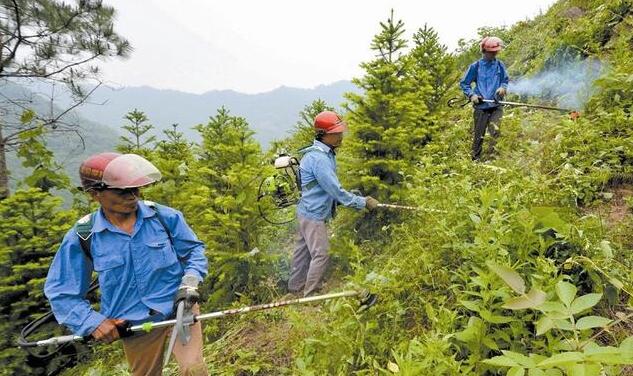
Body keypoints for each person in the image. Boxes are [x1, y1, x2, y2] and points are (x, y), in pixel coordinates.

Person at [44, 152, 209, 376]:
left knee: (193, 369)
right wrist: (92, 322)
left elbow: (193, 251)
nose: (132, 196)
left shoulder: (164, 218)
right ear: (95, 194)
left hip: (178, 309)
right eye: (122, 191)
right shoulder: (83, 236)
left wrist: (190, 282)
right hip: (133, 324)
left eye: (135, 189)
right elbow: (62, 291)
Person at [288, 111, 380, 297]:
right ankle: (310, 294)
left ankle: (295, 287)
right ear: (324, 134)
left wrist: (348, 197)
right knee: (321, 253)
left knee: (303, 252)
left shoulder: (324, 153)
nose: (340, 136)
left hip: (306, 210)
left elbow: (326, 189)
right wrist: (362, 202)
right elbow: (335, 190)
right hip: (313, 214)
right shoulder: (319, 159)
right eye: (336, 133)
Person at [459, 36, 510, 161]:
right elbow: (464, 83)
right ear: (484, 51)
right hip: (481, 106)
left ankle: (493, 158)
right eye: (492, 52)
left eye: (496, 52)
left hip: (496, 105)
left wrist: (503, 88)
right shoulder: (476, 66)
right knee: (479, 135)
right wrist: (472, 95)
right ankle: (475, 160)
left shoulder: (499, 65)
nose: (494, 54)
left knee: (495, 132)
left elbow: (505, 80)